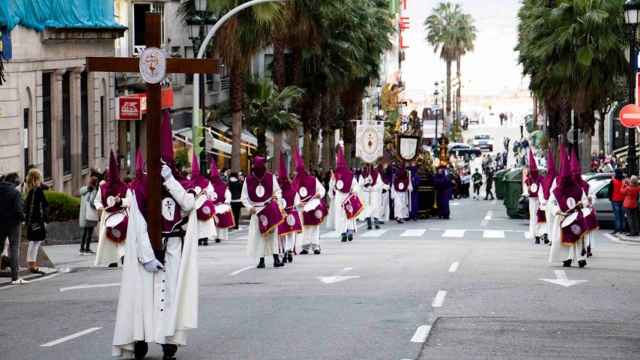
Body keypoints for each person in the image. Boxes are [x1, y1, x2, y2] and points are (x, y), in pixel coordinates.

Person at [112, 113, 200, 360]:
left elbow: (188, 204)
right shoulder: (140, 189)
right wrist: (147, 255)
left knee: (169, 295)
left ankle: (167, 341)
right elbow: (138, 225)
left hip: (172, 249)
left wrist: (170, 181)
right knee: (143, 297)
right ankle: (139, 339)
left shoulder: (179, 184)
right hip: (147, 251)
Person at [548, 145, 589, 268]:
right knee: (564, 238)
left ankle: (581, 258)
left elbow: (584, 201)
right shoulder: (556, 191)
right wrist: (558, 211)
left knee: (578, 236)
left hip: (576, 217)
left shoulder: (578, 189)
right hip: (562, 217)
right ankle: (567, 258)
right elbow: (552, 203)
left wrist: (581, 205)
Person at [242, 156, 284, 268]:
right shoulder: (248, 180)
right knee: (259, 236)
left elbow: (277, 191)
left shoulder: (271, 177)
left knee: (273, 235)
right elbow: (244, 197)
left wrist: (275, 198)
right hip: (256, 212)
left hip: (269, 209)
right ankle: (261, 260)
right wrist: (249, 208)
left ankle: (275, 258)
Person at [94, 151, 129, 268]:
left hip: (120, 216)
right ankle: (112, 259)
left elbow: (130, 201)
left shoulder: (124, 187)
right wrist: (99, 207)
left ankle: (123, 256)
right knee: (109, 240)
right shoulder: (103, 187)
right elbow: (97, 201)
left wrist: (121, 201)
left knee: (121, 238)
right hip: (107, 216)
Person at [294, 150, 326, 255]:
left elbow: (322, 190)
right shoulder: (295, 182)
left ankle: (316, 246)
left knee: (315, 226)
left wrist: (319, 194)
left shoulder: (313, 179)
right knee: (305, 227)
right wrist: (298, 203)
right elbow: (292, 195)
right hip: (302, 208)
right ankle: (306, 247)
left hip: (313, 205)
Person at [329, 146, 360, 242]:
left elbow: (332, 187)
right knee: (349, 214)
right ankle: (349, 231)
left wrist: (332, 183)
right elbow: (355, 185)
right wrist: (354, 191)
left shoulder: (337, 175)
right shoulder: (350, 174)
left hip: (340, 197)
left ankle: (344, 233)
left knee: (341, 216)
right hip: (348, 196)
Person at [0, 173, 27, 284]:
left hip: (0, 223)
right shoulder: (15, 193)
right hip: (13, 224)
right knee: (14, 248)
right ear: (15, 182)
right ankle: (15, 277)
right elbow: (18, 210)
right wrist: (23, 219)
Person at [23, 168, 48, 274]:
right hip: (37, 220)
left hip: (31, 221)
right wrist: (45, 220)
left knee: (32, 242)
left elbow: (26, 207)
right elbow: (45, 205)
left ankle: (31, 264)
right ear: (37, 179)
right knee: (35, 243)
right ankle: (32, 265)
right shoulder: (37, 191)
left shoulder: (29, 191)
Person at [276, 155, 301, 263]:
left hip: (281, 215)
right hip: (291, 214)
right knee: (291, 234)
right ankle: (289, 250)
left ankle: (283, 250)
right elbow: (297, 203)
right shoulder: (294, 192)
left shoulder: (277, 193)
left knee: (281, 235)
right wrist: (300, 206)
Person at [189, 155, 216, 247]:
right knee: (205, 222)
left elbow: (211, 191)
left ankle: (201, 239)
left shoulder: (189, 182)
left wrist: (201, 193)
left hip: (198, 203)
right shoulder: (206, 181)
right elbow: (211, 191)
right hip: (202, 202)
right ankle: (204, 239)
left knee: (200, 223)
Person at [210, 160, 233, 243]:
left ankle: (218, 236)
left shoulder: (221, 186)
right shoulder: (210, 186)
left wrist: (226, 202)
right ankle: (216, 236)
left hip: (219, 206)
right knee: (215, 222)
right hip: (215, 206)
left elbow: (228, 194)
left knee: (219, 221)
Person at [79, 171, 100, 255]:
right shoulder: (94, 191)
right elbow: (92, 202)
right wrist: (97, 207)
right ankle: (87, 248)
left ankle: (82, 248)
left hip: (84, 214)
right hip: (90, 215)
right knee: (89, 231)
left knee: (84, 231)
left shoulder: (83, 189)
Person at [526, 150, 544, 244]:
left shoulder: (529, 179)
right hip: (535, 200)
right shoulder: (538, 178)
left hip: (537, 200)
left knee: (536, 217)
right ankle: (537, 234)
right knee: (537, 217)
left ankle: (538, 235)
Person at [539, 148, 556, 246]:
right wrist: (542, 201)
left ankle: (553, 238)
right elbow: (541, 191)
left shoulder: (557, 179)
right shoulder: (544, 180)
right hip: (547, 203)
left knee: (553, 223)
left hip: (554, 203)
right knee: (549, 222)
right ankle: (550, 238)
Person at [360, 164, 383, 229]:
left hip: (374, 193)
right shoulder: (363, 174)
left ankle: (376, 223)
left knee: (375, 207)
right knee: (367, 208)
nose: (369, 168)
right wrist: (365, 186)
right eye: (367, 166)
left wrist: (373, 187)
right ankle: (369, 224)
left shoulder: (376, 174)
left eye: (370, 166)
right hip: (366, 194)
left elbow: (379, 183)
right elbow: (360, 184)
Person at [610, 169, 625, 235]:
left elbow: (610, 191)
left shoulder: (613, 181)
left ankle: (617, 229)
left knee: (617, 216)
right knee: (622, 215)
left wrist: (610, 198)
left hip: (615, 199)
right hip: (623, 199)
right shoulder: (624, 181)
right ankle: (622, 229)